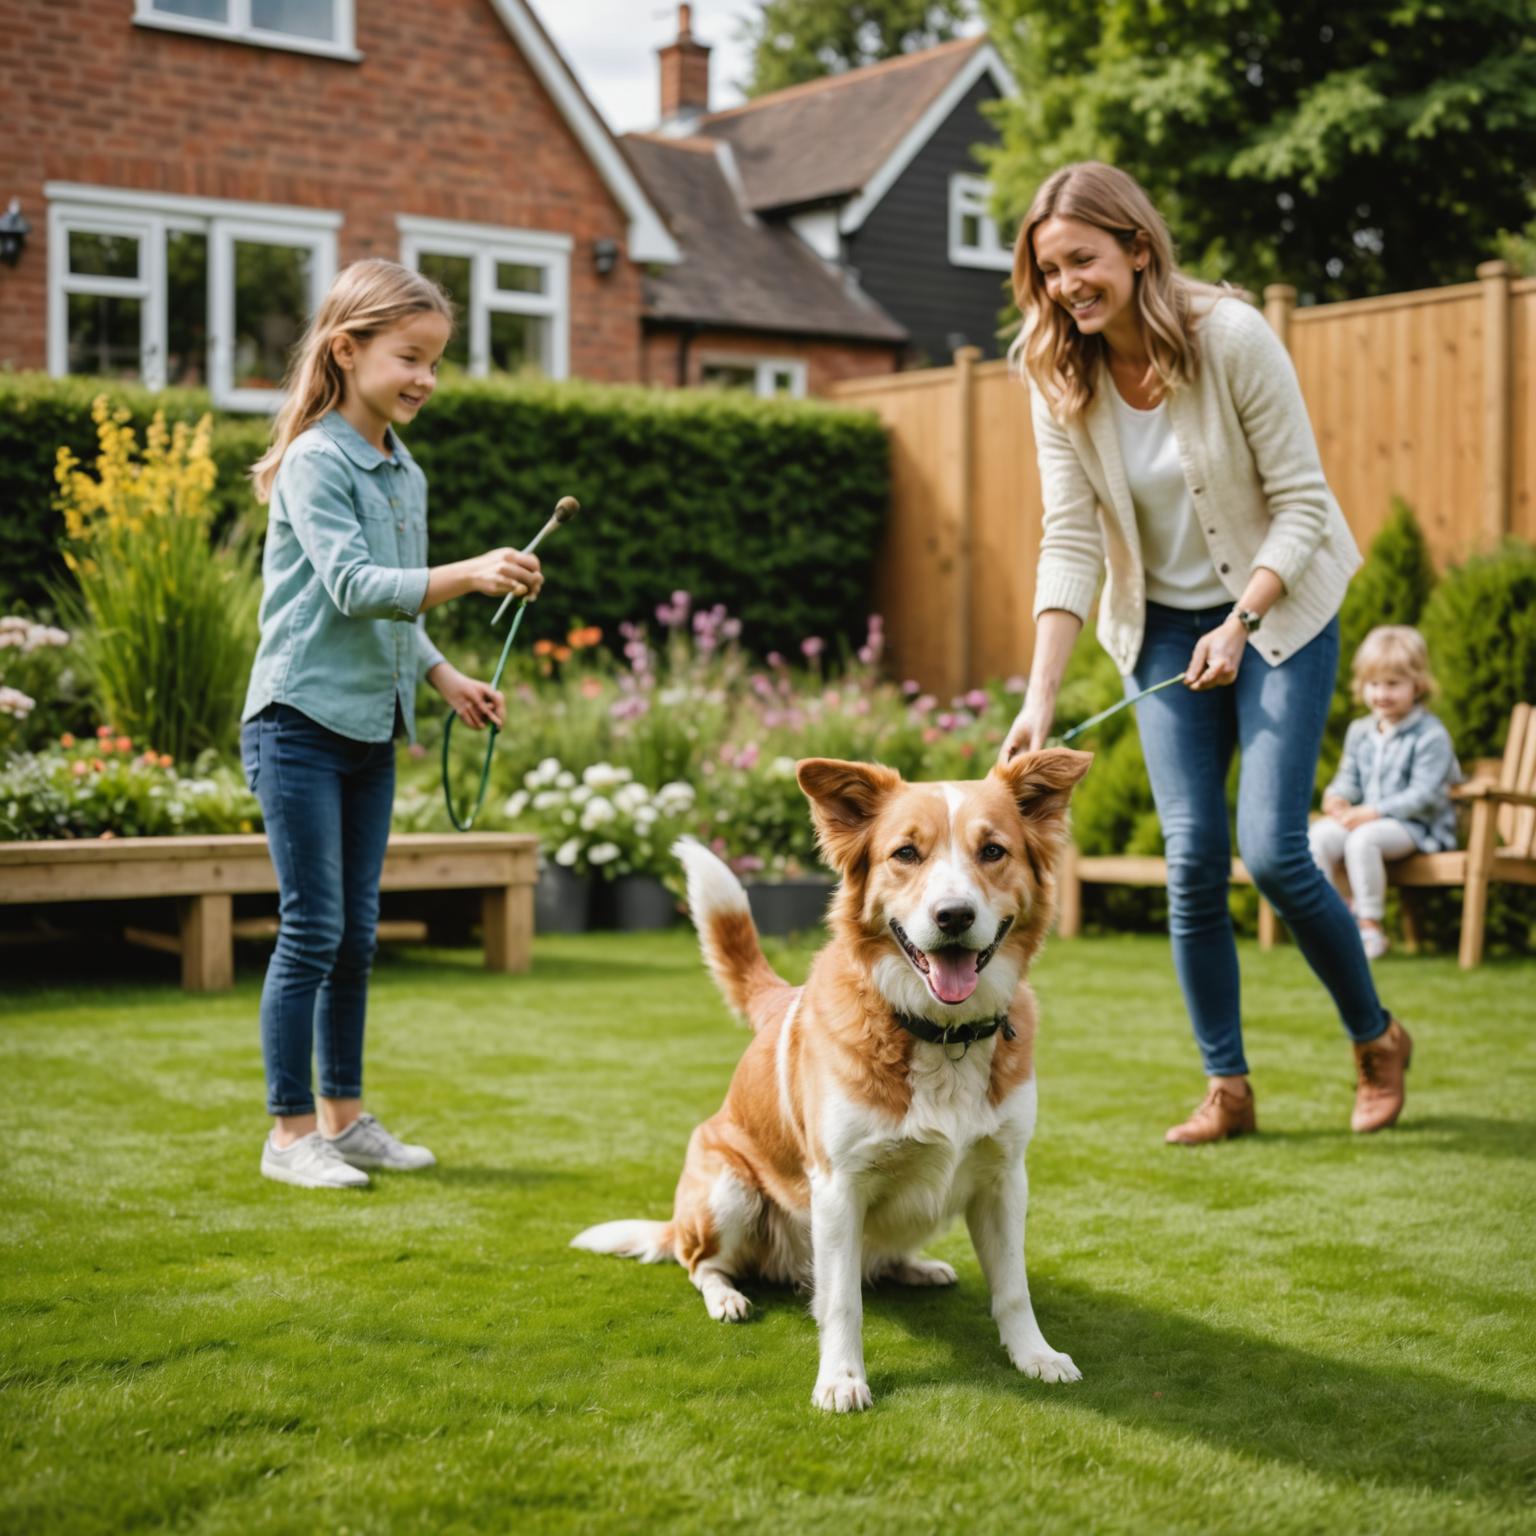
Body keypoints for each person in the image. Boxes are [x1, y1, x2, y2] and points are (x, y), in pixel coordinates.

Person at [999, 162, 1413, 1142]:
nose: (1067, 286)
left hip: (1280, 611)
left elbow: (1305, 503)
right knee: (1192, 859)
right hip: (1161, 627)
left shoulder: (1229, 335)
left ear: (1139, 248)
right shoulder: (1052, 363)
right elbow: (1071, 535)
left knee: (1271, 851)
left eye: (1083, 261)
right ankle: (1226, 1086)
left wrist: (1243, 620)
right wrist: (1040, 697)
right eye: (1050, 270)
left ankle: (1376, 1037)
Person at [242, 259, 543, 1189]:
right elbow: (350, 586)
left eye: (435, 363)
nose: (424, 379)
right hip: (296, 721)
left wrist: (447, 676)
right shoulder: (316, 460)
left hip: (370, 728)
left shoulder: (402, 470)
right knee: (312, 930)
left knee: (356, 934)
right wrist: (473, 572)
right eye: (409, 357)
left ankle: (344, 1116)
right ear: (347, 348)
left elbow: (395, 614)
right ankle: (290, 1136)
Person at [1309, 626, 1460, 960]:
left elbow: (1424, 795)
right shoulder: (1360, 731)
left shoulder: (1430, 735)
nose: (1381, 694)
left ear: (1417, 684)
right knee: (1318, 836)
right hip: (1369, 819)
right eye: (1373, 684)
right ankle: (1335, 918)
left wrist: (1373, 811)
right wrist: (1336, 797)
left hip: (1418, 827)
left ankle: (1370, 926)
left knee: (1363, 839)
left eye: (1393, 684)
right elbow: (1348, 779)